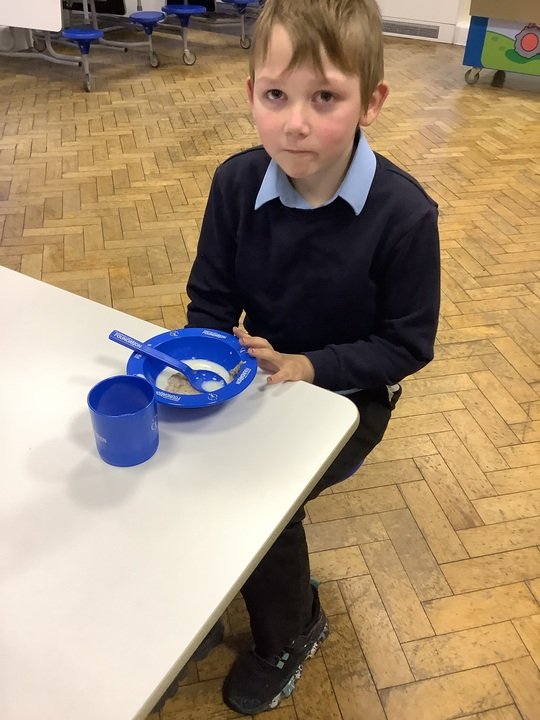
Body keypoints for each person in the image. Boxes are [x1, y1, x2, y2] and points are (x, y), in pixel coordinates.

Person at [185, 0, 440, 714]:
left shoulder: (405, 216)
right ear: (252, 95)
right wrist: (209, 362)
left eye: (324, 97)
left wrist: (307, 366)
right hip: (261, 378)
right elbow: (210, 299)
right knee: (189, 462)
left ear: (371, 103)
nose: (295, 122)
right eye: (276, 95)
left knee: (266, 502)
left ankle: (291, 633)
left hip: (350, 396)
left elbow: (406, 345)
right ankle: (211, 598)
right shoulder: (236, 184)